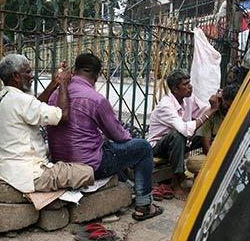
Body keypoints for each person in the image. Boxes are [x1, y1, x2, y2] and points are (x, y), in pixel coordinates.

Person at [47, 52, 163, 221]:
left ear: (75, 70)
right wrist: (129, 141)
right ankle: (144, 205)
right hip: (88, 166)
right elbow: (118, 135)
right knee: (142, 148)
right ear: (96, 75)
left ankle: (129, 188)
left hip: (60, 162)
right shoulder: (95, 99)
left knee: (107, 146)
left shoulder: (55, 94)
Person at [0, 53, 94, 193]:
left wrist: (53, 83)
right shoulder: (22, 101)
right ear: (16, 76)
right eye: (28, 72)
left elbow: (34, 106)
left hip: (4, 168)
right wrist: (63, 84)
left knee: (50, 151)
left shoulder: (1, 97)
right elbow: (63, 115)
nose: (32, 76)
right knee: (87, 171)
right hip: (28, 175)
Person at [148, 69, 220, 199]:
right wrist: (211, 112)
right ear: (175, 89)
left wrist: (215, 105)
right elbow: (184, 130)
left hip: (181, 142)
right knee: (179, 135)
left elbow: (204, 110)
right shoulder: (166, 105)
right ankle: (175, 183)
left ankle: (207, 168)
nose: (190, 86)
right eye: (185, 84)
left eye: (189, 83)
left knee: (208, 135)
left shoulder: (188, 98)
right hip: (158, 147)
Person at [186, 81, 241, 175]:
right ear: (221, 100)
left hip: (238, 155)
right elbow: (207, 148)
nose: (228, 110)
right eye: (226, 106)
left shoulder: (242, 113)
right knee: (192, 163)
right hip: (217, 157)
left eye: (232, 107)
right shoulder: (211, 114)